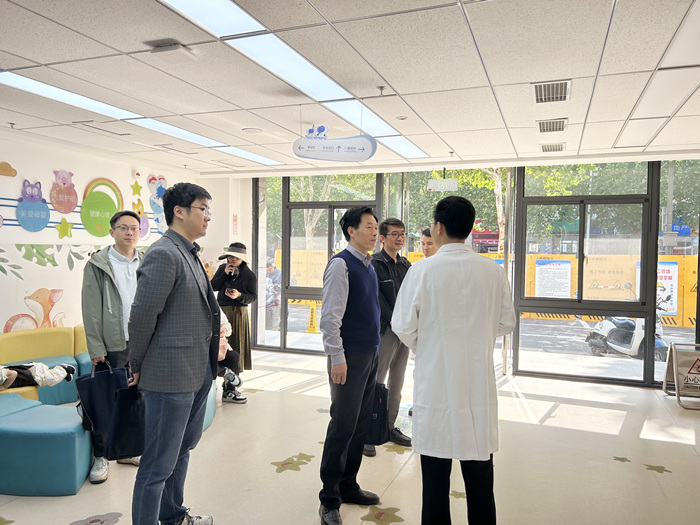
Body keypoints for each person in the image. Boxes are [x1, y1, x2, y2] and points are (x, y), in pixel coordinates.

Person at [392, 196, 516, 525]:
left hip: (436, 387)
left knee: (435, 486)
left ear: (439, 227)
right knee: (481, 484)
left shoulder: (421, 271)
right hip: (477, 390)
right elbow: (507, 323)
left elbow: (402, 325)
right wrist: (478, 337)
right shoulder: (493, 271)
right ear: (469, 227)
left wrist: (429, 346)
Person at [129, 182, 220, 525]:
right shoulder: (164, 253)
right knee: (157, 464)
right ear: (179, 211)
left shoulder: (189, 252)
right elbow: (142, 316)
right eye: (203, 209)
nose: (208, 216)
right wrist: (136, 364)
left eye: (209, 210)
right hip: (169, 376)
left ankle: (173, 516)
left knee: (181, 450)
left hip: (196, 370)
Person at [318, 206, 382, 525]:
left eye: (376, 227)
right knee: (342, 425)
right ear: (351, 231)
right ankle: (329, 499)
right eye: (369, 226)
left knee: (359, 425)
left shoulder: (368, 265)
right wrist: (338, 357)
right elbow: (330, 318)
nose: (375, 232)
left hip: (370, 354)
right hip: (349, 357)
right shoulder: (341, 265)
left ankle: (348, 485)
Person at [81, 210, 142, 484]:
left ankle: (127, 451)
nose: (129, 233)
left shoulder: (146, 260)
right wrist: (95, 346)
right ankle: (101, 455)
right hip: (113, 343)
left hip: (142, 342)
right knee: (107, 400)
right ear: (112, 231)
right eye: (123, 227)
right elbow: (91, 308)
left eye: (134, 228)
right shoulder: (98, 264)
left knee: (136, 400)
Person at [363, 218, 412, 458]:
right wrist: (394, 320)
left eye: (402, 234)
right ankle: (367, 433)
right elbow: (376, 299)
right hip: (385, 331)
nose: (400, 238)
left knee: (397, 382)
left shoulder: (406, 265)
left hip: (405, 331)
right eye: (394, 234)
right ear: (382, 238)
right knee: (376, 382)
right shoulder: (374, 264)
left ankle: (389, 427)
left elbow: (412, 296)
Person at [211, 243, 257, 379]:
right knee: (219, 345)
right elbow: (212, 287)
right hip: (221, 310)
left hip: (239, 313)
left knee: (236, 346)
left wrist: (239, 295)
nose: (232, 259)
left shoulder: (249, 275)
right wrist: (224, 275)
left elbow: (253, 297)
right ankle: (218, 373)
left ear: (242, 258)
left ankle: (233, 379)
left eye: (236, 257)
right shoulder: (222, 269)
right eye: (230, 256)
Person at [217, 306, 244, 404]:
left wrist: (224, 329)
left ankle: (229, 391)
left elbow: (227, 325)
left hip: (217, 347)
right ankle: (224, 372)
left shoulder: (213, 305)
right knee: (207, 359)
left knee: (233, 357)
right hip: (201, 348)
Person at [0, 362, 75, 390]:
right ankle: (64, 374)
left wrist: (4, 386)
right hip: (28, 376)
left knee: (51, 379)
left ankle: (63, 368)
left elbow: (13, 374)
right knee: (48, 376)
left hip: (32, 373)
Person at [265, 260, 282, 330]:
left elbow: (283, 284)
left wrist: (275, 286)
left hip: (278, 293)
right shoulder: (266, 273)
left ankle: (278, 325)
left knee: (278, 310)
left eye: (270, 270)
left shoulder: (280, 273)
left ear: (273, 267)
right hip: (269, 294)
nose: (269, 272)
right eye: (267, 270)